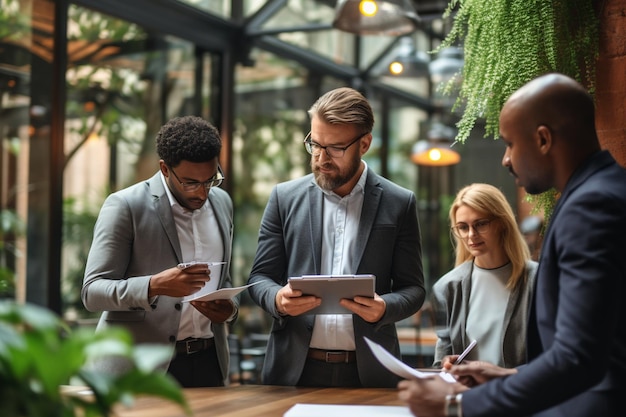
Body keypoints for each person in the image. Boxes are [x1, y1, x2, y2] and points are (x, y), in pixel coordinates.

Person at [397, 73, 626, 416]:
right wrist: (508, 376)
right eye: (462, 227)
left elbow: (579, 359)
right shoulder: (606, 190)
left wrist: (457, 404)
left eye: (509, 143)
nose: (505, 160)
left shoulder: (590, 208)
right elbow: (604, 347)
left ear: (543, 139)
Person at [247, 87, 425, 388]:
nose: (321, 158)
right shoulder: (284, 198)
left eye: (335, 148)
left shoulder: (399, 202)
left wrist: (385, 307)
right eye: (315, 144)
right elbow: (260, 277)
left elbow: (414, 289)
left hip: (370, 373)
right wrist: (277, 299)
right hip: (294, 372)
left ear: (365, 143)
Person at [82, 115, 237, 387]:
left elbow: (224, 280)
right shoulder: (125, 206)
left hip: (209, 363)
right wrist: (154, 286)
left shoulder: (222, 202)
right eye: (190, 183)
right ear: (165, 169)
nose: (202, 193)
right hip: (138, 369)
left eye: (211, 180)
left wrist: (230, 310)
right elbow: (92, 292)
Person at [431, 183, 537, 368]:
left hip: (522, 392)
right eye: (463, 227)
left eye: (480, 224)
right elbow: (442, 360)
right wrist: (446, 364)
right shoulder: (447, 287)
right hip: (469, 395)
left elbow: (552, 354)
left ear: (502, 223)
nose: (471, 234)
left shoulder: (537, 279)